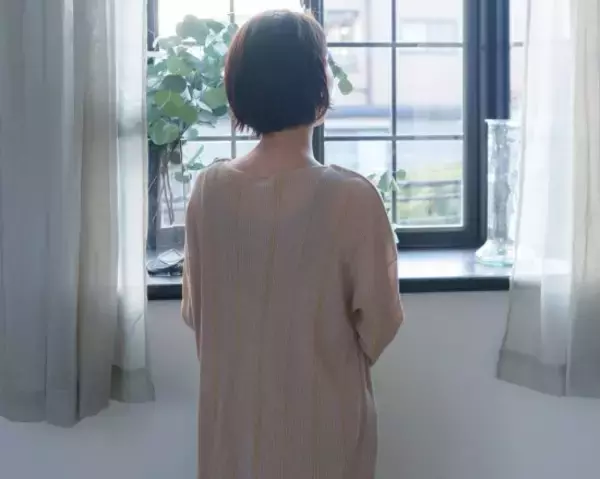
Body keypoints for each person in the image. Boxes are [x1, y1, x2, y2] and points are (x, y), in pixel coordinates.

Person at [182, 9, 403, 479]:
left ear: (240, 87)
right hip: (324, 431)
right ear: (317, 87)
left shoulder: (208, 191)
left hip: (233, 431)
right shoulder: (353, 197)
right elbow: (381, 324)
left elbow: (197, 313)